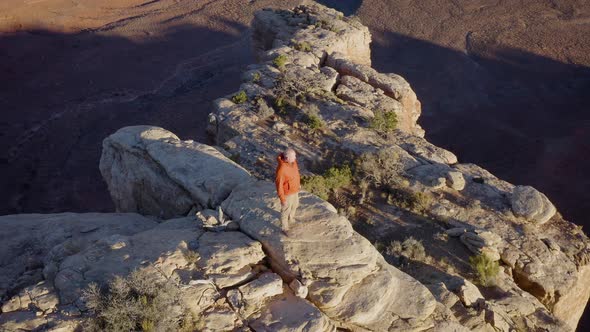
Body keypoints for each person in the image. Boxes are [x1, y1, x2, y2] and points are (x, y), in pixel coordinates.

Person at [275, 148, 300, 233]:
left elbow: (296, 173)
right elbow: (279, 185)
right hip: (287, 193)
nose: (295, 158)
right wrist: (282, 198)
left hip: (295, 190)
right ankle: (284, 228)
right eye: (294, 156)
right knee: (285, 210)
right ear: (287, 158)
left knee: (295, 205)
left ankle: (291, 218)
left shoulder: (293, 162)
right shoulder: (282, 169)